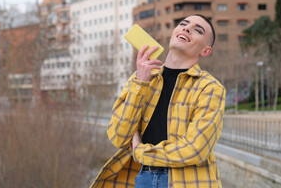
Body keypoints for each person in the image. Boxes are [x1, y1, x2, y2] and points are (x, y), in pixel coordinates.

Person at [90, 14, 226, 188]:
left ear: (205, 51)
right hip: (143, 178)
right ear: (174, 32)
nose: (186, 28)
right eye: (183, 24)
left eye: (198, 30)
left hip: (188, 182)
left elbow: (195, 149)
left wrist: (141, 152)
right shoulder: (141, 79)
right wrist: (141, 83)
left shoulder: (210, 88)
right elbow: (118, 136)